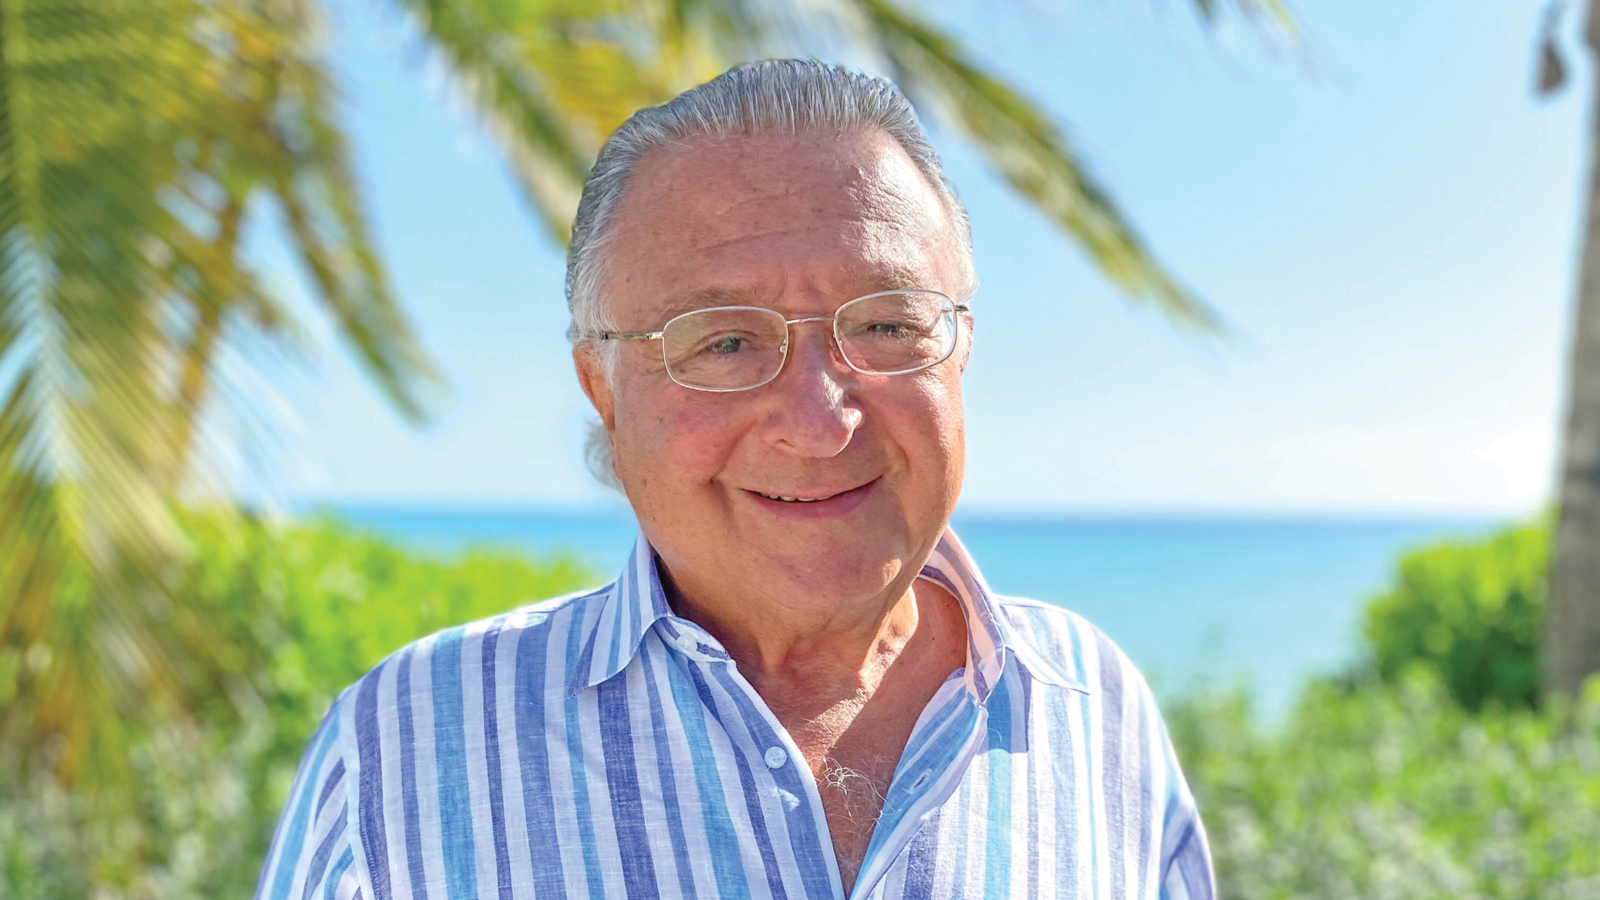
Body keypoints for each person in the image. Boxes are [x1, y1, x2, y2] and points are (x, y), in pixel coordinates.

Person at [255, 59, 1214, 900]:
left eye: (886, 324)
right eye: (723, 342)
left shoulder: (1097, 710)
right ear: (604, 389)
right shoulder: (407, 751)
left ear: (959, 348)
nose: (817, 419)